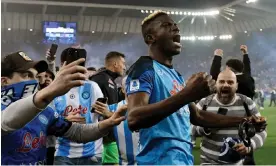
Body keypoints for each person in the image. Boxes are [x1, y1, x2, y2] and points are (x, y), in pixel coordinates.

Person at [126, 11, 266, 165]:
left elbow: (198, 116)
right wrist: (187, 94)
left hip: (183, 159)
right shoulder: (143, 67)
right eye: (166, 25)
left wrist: (245, 120)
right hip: (159, 160)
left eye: (176, 26)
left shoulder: (176, 76)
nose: (175, 29)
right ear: (150, 38)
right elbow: (134, 118)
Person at [1, 51, 127, 165]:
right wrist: (47, 92)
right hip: (64, 155)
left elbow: (78, 132)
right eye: (26, 75)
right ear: (4, 81)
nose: (34, 81)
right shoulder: (37, 103)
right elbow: (6, 122)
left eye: (35, 77)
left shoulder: (45, 112)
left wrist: (108, 123)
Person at [192, 69, 267, 165]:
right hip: (209, 162)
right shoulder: (204, 103)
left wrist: (249, 146)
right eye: (222, 81)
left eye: (230, 82)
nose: (226, 85)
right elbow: (189, 128)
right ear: (216, 85)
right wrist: (206, 127)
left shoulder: (246, 103)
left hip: (237, 163)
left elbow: (262, 131)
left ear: (236, 86)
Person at [53, 48, 103, 165]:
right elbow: (48, 122)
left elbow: (103, 116)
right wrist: (64, 122)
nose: (77, 68)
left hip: (92, 154)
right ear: (62, 65)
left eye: (80, 64)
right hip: (63, 154)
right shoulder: (54, 90)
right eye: (72, 64)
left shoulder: (92, 87)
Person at [90, 51, 126, 165]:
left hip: (109, 137)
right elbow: (92, 107)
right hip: (102, 140)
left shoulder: (111, 81)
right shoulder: (100, 79)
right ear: (115, 64)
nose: (125, 67)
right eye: (123, 63)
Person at [93, 76, 139, 165]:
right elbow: (91, 127)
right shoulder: (111, 108)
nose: (132, 87)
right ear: (122, 89)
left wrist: (110, 114)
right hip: (124, 163)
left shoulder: (149, 107)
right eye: (128, 84)